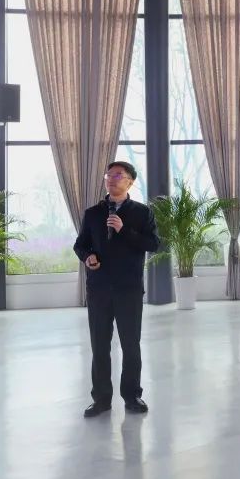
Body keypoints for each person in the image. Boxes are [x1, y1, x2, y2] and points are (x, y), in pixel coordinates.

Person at [73, 161, 160, 418]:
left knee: (130, 345)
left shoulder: (142, 213)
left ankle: (132, 396)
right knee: (99, 346)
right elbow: (80, 244)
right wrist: (88, 256)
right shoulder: (93, 213)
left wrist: (124, 230)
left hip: (128, 288)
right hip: (99, 289)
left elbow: (153, 244)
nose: (111, 179)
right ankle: (101, 399)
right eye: (108, 175)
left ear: (130, 181)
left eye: (118, 175)